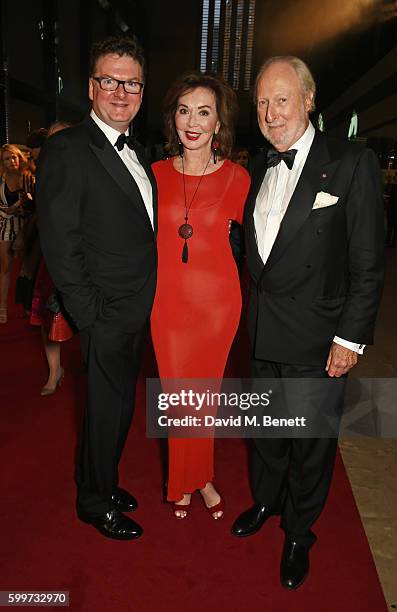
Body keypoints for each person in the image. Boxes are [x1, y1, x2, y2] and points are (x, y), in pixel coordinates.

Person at [231, 56, 384, 589]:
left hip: (320, 341)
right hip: (263, 332)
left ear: (309, 100)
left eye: (281, 99)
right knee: (267, 433)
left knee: (310, 444)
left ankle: (299, 531)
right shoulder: (256, 167)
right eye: (262, 102)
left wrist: (351, 339)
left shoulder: (350, 163)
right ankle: (266, 503)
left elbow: (368, 264)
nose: (270, 113)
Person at [36, 35, 157, 540]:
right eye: (109, 80)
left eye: (131, 83)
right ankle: (94, 502)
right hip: (104, 311)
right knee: (107, 410)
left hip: (137, 309)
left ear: (142, 91)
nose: (121, 92)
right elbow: (59, 242)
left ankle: (98, 479)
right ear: (91, 87)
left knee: (118, 407)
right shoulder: (68, 148)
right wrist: (91, 313)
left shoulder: (141, 150)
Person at [150, 72, 250, 519]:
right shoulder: (152, 177)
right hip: (166, 305)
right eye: (183, 110)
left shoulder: (239, 179)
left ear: (217, 124)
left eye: (203, 112)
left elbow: (267, 241)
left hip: (218, 307)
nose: (192, 121)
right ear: (173, 119)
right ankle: (183, 481)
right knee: (177, 399)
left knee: (203, 399)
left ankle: (200, 478)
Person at [30, 121, 72, 396]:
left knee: (85, 320)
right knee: (48, 314)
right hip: (51, 257)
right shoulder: (43, 175)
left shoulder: (88, 171)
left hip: (84, 258)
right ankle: (54, 371)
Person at [0, 144, 33, 324]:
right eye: (7, 158)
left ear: (20, 158)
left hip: (27, 227)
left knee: (27, 268)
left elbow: (36, 205)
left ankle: (28, 307)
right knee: (5, 268)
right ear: (2, 162)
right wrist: (7, 210)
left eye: (14, 157)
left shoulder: (28, 177)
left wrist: (21, 208)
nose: (12, 161)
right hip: (4, 226)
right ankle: (2, 308)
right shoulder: (1, 179)